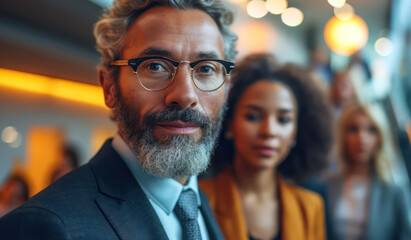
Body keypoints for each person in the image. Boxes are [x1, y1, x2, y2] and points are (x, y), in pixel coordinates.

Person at [0, 0, 237, 239]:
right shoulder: (45, 226)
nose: (185, 95)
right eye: (155, 66)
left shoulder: (203, 203)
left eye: (206, 69)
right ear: (110, 87)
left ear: (226, 89)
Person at [199, 54, 333, 240]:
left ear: (296, 132)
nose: (269, 131)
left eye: (283, 120)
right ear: (228, 124)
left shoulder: (310, 207)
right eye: (253, 117)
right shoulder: (199, 199)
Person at [325, 104, 411, 240]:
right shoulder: (328, 185)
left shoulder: (395, 191)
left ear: (380, 137)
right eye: (353, 129)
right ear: (343, 136)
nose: (361, 138)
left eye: (371, 130)